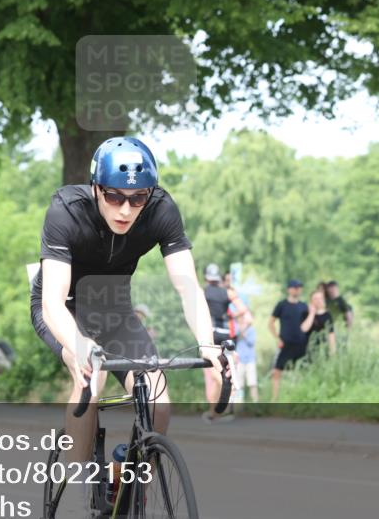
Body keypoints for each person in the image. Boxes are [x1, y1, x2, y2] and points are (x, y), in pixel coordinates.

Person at [29, 136, 225, 473]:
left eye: (137, 199)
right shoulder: (66, 211)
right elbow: (52, 301)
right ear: (96, 188)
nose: (125, 209)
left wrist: (208, 344)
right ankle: (79, 486)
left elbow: (188, 287)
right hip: (66, 310)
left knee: (158, 402)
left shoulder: (161, 209)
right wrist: (79, 346)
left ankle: (131, 479)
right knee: (91, 381)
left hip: (116, 313)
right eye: (114, 196)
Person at [200, 264, 249, 422]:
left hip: (210, 335)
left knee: (212, 374)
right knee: (225, 369)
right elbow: (243, 310)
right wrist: (231, 317)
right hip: (226, 335)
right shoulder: (227, 292)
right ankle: (215, 411)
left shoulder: (203, 292)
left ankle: (224, 394)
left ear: (207, 277)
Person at [269, 280, 309, 401]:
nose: (297, 290)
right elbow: (271, 323)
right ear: (289, 289)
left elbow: (309, 324)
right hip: (285, 343)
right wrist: (277, 338)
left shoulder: (304, 306)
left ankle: (298, 397)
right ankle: (274, 399)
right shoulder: (282, 305)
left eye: (299, 288)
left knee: (301, 372)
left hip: (301, 344)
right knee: (277, 371)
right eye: (295, 287)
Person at [224, 273, 258, 404]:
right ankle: (239, 406)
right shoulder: (236, 328)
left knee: (252, 383)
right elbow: (235, 336)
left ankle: (256, 405)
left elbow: (251, 342)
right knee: (240, 384)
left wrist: (245, 327)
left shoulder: (250, 330)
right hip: (240, 359)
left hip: (249, 359)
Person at [302, 288, 337, 361]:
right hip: (308, 350)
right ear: (311, 301)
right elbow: (304, 329)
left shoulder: (327, 315)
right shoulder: (305, 314)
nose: (318, 301)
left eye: (320, 298)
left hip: (323, 350)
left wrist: (333, 351)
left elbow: (331, 334)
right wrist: (312, 313)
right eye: (315, 298)